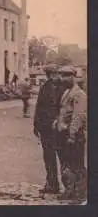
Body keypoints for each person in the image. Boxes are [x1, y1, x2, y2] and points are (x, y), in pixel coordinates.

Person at [55, 66, 87, 202]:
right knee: (66, 163)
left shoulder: (79, 94)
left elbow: (78, 116)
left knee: (76, 165)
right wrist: (57, 123)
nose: (63, 78)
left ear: (74, 76)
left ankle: (80, 194)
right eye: (62, 75)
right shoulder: (67, 92)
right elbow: (64, 112)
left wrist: (72, 135)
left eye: (67, 75)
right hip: (64, 134)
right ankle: (70, 190)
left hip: (73, 135)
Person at [33, 64, 65, 194]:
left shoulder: (57, 88)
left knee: (57, 156)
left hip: (52, 128)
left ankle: (60, 185)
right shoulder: (47, 86)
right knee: (50, 156)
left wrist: (53, 123)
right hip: (46, 127)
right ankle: (53, 184)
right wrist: (36, 125)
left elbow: (55, 108)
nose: (51, 75)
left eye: (52, 73)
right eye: (50, 73)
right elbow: (39, 107)